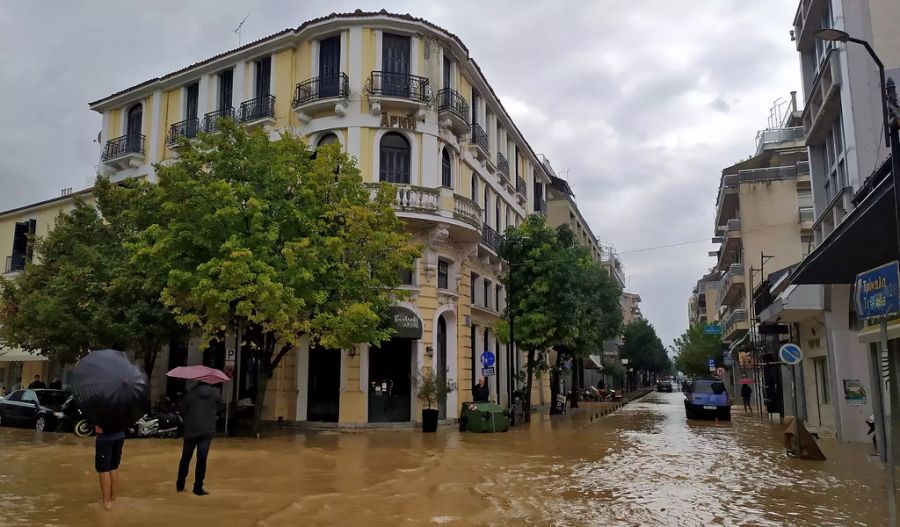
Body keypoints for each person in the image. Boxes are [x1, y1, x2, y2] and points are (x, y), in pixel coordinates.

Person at [177, 381, 220, 496]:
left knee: (186, 458)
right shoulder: (216, 394)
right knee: (202, 459)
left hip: (191, 430)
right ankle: (198, 487)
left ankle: (180, 486)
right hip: (207, 431)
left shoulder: (190, 394)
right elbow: (217, 409)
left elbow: (182, 411)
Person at [94, 425, 125, 511]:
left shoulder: (101, 410)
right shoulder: (120, 410)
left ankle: (106, 502)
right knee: (113, 467)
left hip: (104, 438)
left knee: (103, 470)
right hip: (120, 436)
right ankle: (113, 497)